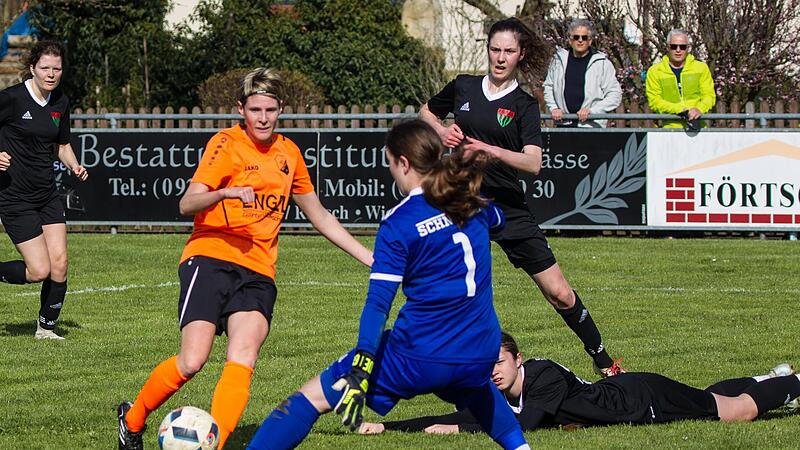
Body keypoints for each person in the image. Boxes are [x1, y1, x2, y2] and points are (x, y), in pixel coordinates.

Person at [116, 67, 373, 450]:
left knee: (244, 355)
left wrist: (369, 258)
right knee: (192, 360)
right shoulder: (225, 144)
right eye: (255, 109)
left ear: (281, 109)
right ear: (241, 109)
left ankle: (213, 444)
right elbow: (187, 202)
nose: (264, 118)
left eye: (271, 109)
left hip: (258, 269)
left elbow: (319, 215)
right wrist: (225, 193)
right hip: (211, 255)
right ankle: (132, 420)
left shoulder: (289, 154)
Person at [246, 119, 530, 450]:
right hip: (481, 348)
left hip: (419, 354)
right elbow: (499, 221)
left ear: (404, 163)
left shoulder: (401, 220)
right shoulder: (470, 202)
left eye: (391, 162)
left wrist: (361, 365)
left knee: (309, 398)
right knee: (476, 388)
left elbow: (378, 304)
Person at [419, 16, 624, 377]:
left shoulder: (524, 104)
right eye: (495, 49)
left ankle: (603, 359)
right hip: (465, 204)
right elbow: (425, 112)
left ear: (520, 54)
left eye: (508, 51)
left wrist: (490, 150)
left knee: (559, 292)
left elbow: (533, 163)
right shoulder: (464, 87)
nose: (500, 57)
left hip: (508, 207)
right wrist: (441, 129)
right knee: (455, 286)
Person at [360, 332, 800, 435]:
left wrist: (459, 428)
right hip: (632, 396)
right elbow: (459, 413)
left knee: (736, 411)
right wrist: (393, 427)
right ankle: (770, 378)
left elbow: (527, 424)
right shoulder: (500, 390)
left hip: (640, 400)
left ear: (517, 358)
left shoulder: (544, 375)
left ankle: (793, 383)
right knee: (708, 397)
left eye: (499, 362)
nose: (493, 372)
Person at [0, 40, 88, 340]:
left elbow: (62, 145)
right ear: (32, 68)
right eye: (45, 67)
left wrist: (74, 165)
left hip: (47, 194)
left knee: (60, 263)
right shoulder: (11, 99)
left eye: (57, 68)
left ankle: (45, 330)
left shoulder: (60, 102)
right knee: (38, 270)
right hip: (14, 196)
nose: (51, 73)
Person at [543, 18, 621, 128]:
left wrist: (592, 111)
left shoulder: (602, 63)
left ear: (590, 41)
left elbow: (615, 95)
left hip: (591, 127)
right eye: (576, 37)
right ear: (570, 40)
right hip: (564, 125)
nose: (580, 40)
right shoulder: (558, 61)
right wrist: (554, 107)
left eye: (584, 37)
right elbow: (548, 86)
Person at [645, 29, 716, 129]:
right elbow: (654, 101)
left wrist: (699, 109)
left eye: (682, 47)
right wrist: (679, 110)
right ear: (668, 47)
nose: (678, 50)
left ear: (688, 48)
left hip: (698, 127)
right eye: (674, 46)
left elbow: (709, 96)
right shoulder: (655, 71)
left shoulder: (701, 68)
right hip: (669, 129)